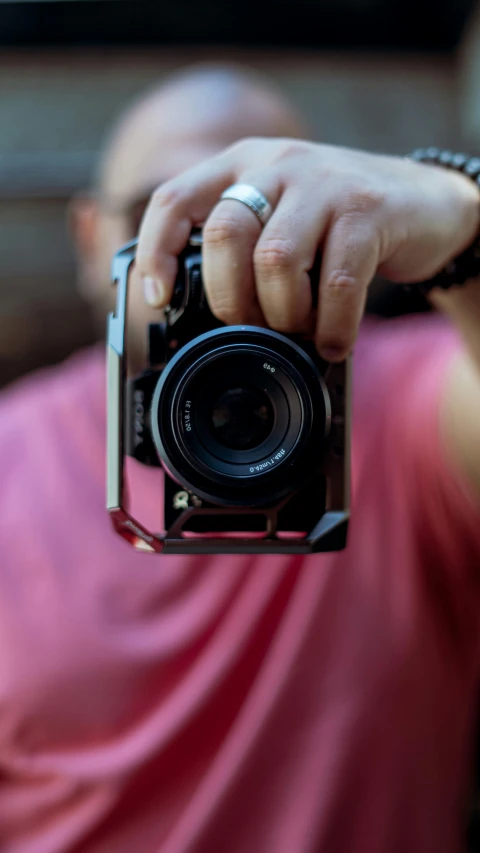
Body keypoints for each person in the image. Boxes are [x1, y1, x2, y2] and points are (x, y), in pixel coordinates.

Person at [0, 63, 479, 853]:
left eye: (269, 219)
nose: (217, 256)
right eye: (159, 216)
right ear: (91, 242)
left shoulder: (407, 402)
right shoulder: (14, 454)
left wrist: (461, 219)